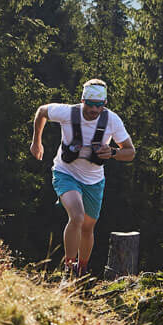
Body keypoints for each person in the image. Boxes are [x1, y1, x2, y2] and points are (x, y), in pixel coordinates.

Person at [30, 79, 135, 279]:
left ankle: (82, 269)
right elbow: (42, 112)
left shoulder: (112, 120)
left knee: (88, 227)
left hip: (94, 181)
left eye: (99, 105)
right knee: (77, 217)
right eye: (90, 104)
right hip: (65, 173)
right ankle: (68, 270)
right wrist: (36, 142)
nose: (94, 110)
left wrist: (112, 152)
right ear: (82, 100)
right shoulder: (68, 113)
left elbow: (130, 152)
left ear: (104, 104)